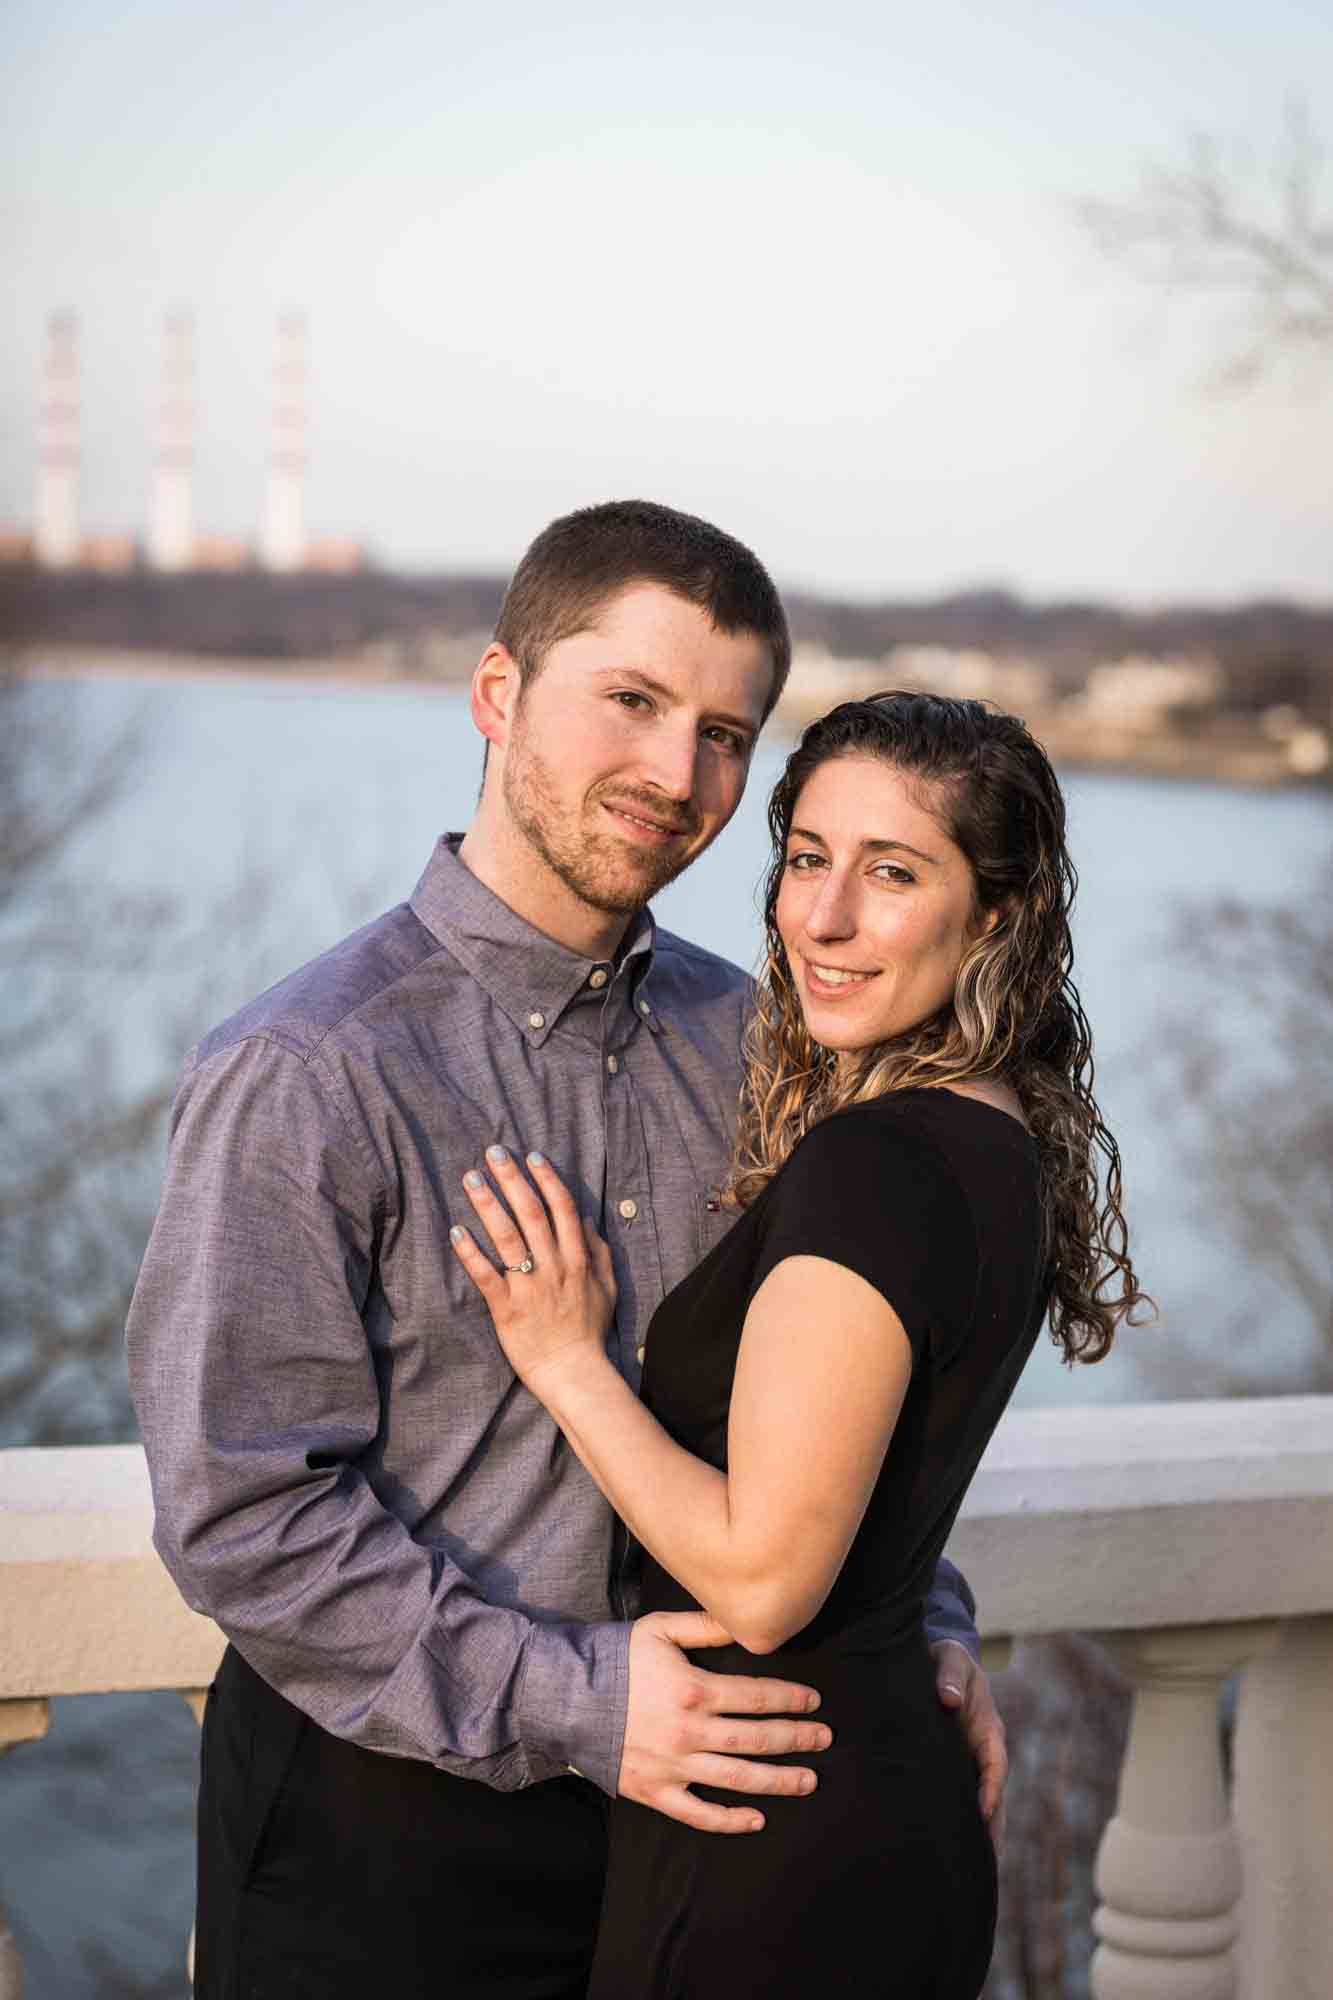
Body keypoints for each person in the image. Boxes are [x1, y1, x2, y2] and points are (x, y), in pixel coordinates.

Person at [126, 504, 1005, 2000]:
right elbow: (242, 1516)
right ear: (496, 695)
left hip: (687, 1839)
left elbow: (821, 1402)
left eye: (726, 734)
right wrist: (585, 1704)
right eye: (633, 701)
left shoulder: (762, 1043)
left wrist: (917, 1618)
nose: (677, 777)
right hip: (383, 1832)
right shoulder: (310, 1066)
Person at [451, 688, 1149, 1998]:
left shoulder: (872, 1167)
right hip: (870, 1809)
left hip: (771, 1847)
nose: (821, 919)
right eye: (806, 860)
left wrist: (565, 1363)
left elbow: (764, 1585)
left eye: (890, 875)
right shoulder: (992, 1144)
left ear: (994, 915)